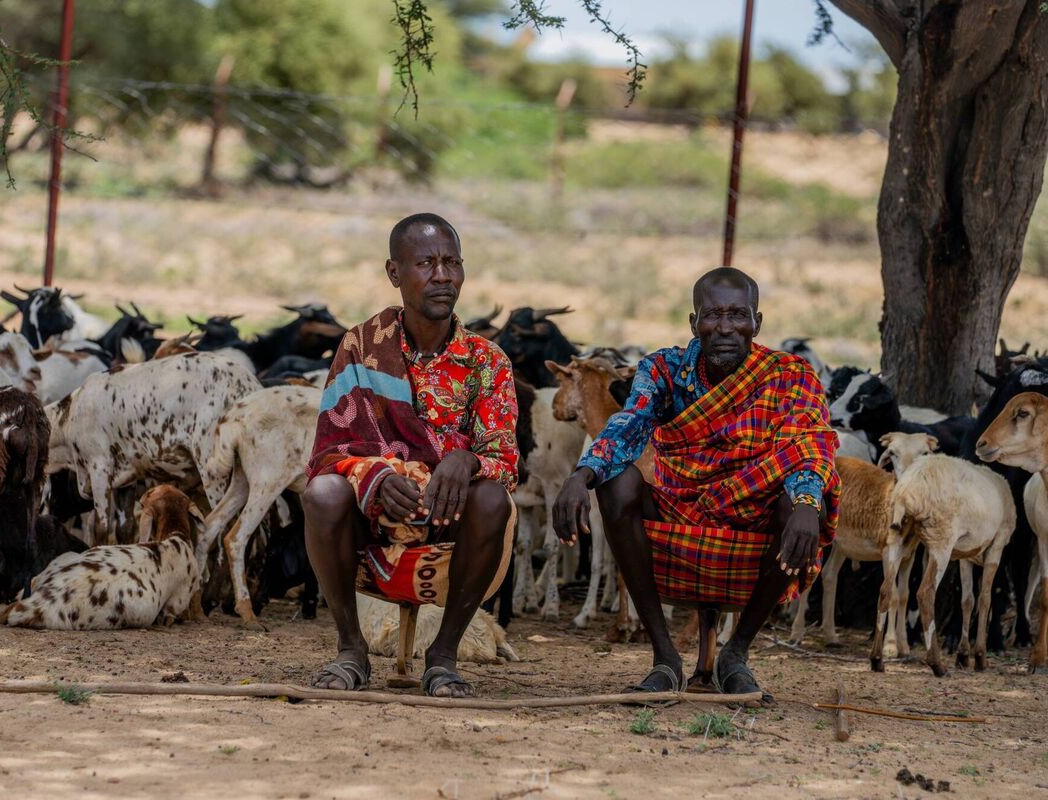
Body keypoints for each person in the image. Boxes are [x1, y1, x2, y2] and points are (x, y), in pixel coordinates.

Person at [553, 267, 840, 698]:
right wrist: (583, 474)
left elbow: (809, 442)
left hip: (751, 516)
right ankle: (665, 657)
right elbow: (629, 425)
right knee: (616, 483)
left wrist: (805, 502)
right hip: (680, 510)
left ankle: (736, 654)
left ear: (757, 323)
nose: (725, 328)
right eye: (713, 315)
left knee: (803, 503)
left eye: (738, 315)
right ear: (694, 323)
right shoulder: (664, 370)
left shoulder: (791, 375)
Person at [303, 212, 519, 698]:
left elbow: (504, 459)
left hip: (452, 514)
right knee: (321, 493)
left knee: (493, 499)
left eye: (452, 263)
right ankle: (350, 650)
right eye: (426, 263)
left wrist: (467, 462)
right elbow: (329, 450)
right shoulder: (361, 346)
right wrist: (374, 476)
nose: (443, 276)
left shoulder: (487, 361)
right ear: (395, 273)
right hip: (375, 513)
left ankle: (442, 657)